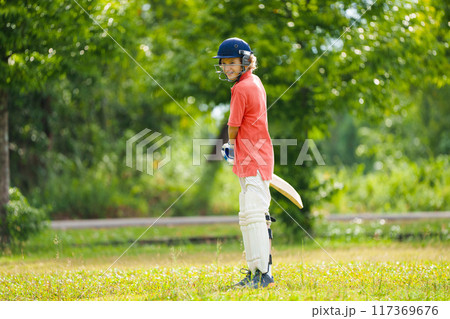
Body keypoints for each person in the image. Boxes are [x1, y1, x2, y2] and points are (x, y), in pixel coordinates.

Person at [213, 38, 275, 288]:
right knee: (249, 215)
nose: (227, 68)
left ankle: (263, 274)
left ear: (245, 61)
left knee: (255, 215)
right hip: (254, 158)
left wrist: (229, 145)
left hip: (253, 159)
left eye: (232, 63)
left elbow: (234, 125)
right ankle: (255, 273)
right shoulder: (255, 81)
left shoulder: (241, 88)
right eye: (223, 64)